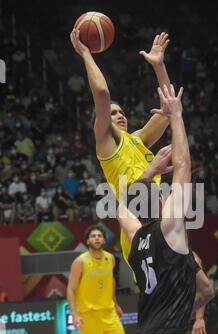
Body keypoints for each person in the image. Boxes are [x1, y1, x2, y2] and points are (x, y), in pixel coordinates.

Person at [102, 84, 218, 334]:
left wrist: (151, 171)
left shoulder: (138, 240)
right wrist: (177, 117)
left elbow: (121, 209)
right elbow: (183, 166)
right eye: (162, 195)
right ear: (161, 205)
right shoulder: (172, 230)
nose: (165, 194)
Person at [70, 29, 172, 264]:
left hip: (161, 215)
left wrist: (159, 66)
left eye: (122, 112)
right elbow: (103, 94)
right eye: (112, 113)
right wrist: (86, 53)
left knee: (190, 291)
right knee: (161, 294)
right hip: (139, 220)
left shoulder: (136, 140)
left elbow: (168, 110)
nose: (119, 115)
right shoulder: (105, 143)